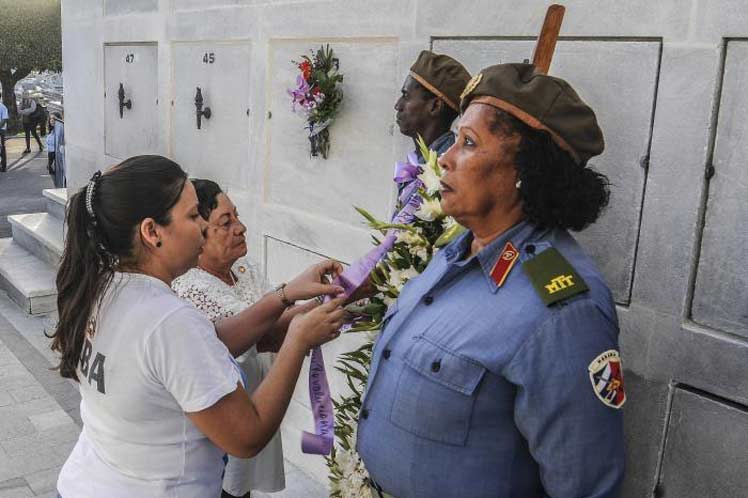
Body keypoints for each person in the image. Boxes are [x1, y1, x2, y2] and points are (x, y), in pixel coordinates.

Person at [356, 63, 625, 498]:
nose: (444, 157)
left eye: (468, 143)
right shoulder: (457, 251)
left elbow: (584, 484)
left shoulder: (563, 310)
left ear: (524, 170)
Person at [52, 155, 347, 498]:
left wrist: (283, 296)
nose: (205, 227)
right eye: (193, 216)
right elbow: (246, 436)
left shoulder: (104, 285)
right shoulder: (169, 320)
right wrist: (297, 340)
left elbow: (206, 344)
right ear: (152, 232)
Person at [173, 179, 299, 498]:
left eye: (237, 217)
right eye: (226, 223)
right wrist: (322, 302)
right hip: (224, 421)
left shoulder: (241, 267)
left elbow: (273, 311)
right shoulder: (187, 289)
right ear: (197, 232)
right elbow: (263, 332)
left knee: (241, 489)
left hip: (254, 405)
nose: (241, 228)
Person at [46, 112, 60, 177]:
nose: (51, 120)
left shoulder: (59, 130)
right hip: (51, 154)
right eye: (51, 119)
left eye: (54, 119)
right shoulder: (51, 130)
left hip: (55, 154)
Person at [0, 90, 7, 172]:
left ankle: (3, 166)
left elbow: (4, 119)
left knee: (2, 147)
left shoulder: (2, 107)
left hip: (1, 130)